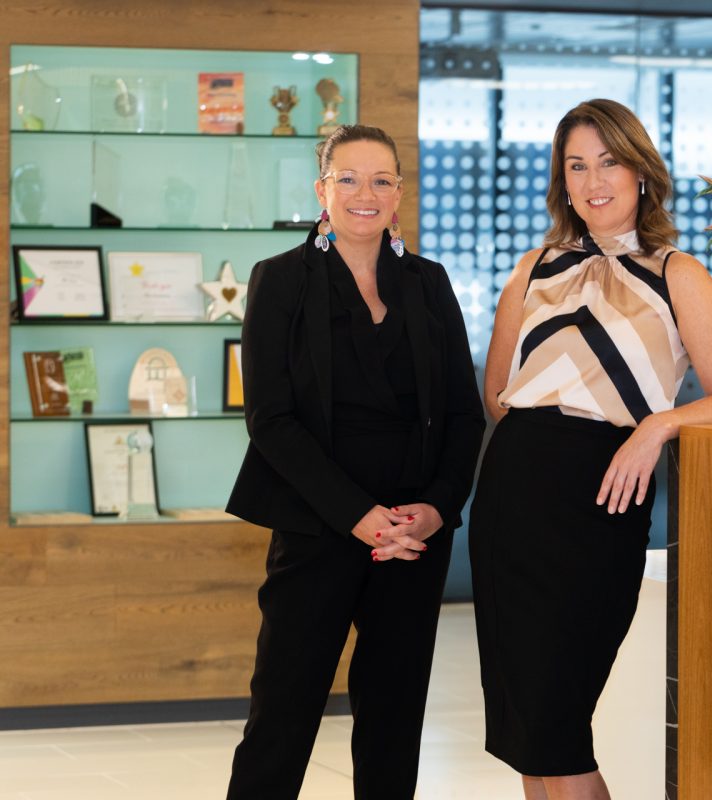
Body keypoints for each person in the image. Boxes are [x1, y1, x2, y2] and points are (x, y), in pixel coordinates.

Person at [470, 99, 712, 800]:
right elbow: (498, 393)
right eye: (576, 165)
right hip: (514, 495)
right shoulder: (534, 267)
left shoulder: (677, 273)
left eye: (608, 161)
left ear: (639, 171)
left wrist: (653, 427)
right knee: (528, 735)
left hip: (602, 495)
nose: (593, 179)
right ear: (561, 181)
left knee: (559, 726)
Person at [224, 124, 485, 799]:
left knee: (394, 722)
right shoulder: (280, 280)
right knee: (282, 715)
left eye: (380, 180)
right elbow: (270, 421)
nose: (364, 194)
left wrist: (434, 510)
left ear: (398, 194)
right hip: (318, 526)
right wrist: (358, 517)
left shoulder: (429, 284)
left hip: (413, 535)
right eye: (348, 178)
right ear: (322, 190)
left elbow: (464, 413)